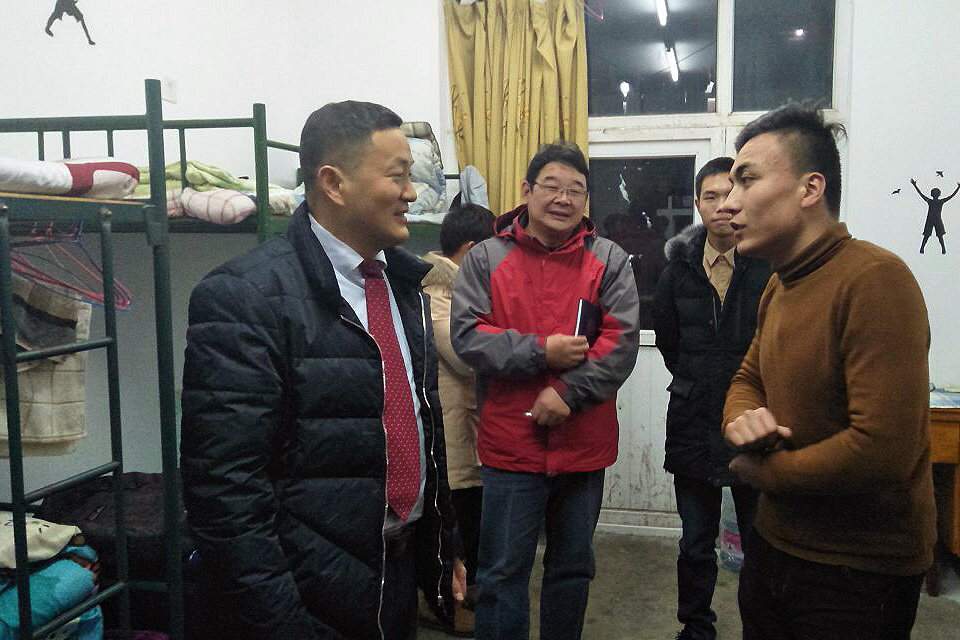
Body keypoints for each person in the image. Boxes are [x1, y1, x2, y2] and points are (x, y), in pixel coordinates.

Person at [180, 100, 464, 640]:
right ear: (334, 183)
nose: (412, 193)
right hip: (304, 592)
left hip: (397, 571)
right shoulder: (245, 297)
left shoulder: (405, 288)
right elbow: (225, 493)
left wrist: (441, 547)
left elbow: (423, 430)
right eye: (398, 176)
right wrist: (282, 621)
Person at [721, 104, 936, 639]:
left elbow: (881, 450)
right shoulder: (780, 283)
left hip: (857, 570)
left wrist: (765, 474)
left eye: (747, 180)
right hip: (774, 543)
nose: (728, 203)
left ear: (810, 189)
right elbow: (748, 378)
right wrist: (742, 421)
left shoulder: (875, 279)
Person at [450, 143, 641, 640]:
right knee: (501, 574)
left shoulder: (608, 259)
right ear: (527, 191)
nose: (563, 198)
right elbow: (468, 336)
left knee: (572, 569)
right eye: (552, 186)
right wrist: (541, 352)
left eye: (576, 190)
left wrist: (567, 392)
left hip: (584, 445)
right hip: (512, 446)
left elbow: (620, 342)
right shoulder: (487, 258)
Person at [652, 156, 770, 640]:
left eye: (730, 193)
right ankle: (696, 627)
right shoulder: (676, 272)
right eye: (711, 196)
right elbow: (670, 344)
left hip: (755, 425)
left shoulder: (769, 266)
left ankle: (759, 629)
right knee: (695, 543)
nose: (722, 205)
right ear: (697, 205)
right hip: (693, 421)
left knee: (762, 545)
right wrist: (700, 381)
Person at [419, 202, 496, 635]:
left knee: (472, 523)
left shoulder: (459, 291)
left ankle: (466, 601)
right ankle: (451, 605)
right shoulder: (437, 293)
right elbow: (467, 358)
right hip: (452, 434)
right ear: (470, 250)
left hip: (468, 429)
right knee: (457, 528)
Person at [909, 178, 959, 254]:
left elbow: (921, 194)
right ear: (939, 194)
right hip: (935, 220)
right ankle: (940, 249)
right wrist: (958, 188)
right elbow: (951, 196)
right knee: (937, 236)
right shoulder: (939, 201)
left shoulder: (931, 201)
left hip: (932, 220)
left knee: (930, 236)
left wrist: (915, 185)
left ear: (932, 194)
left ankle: (925, 248)